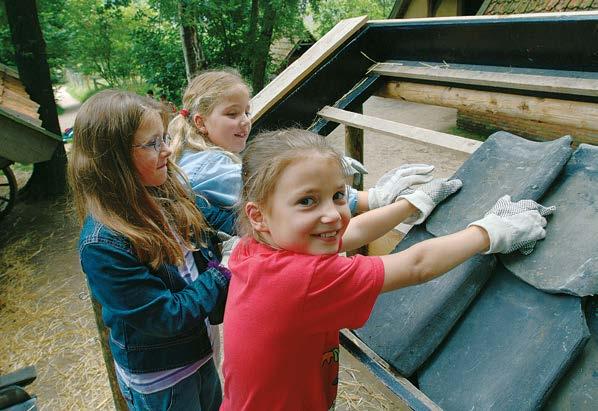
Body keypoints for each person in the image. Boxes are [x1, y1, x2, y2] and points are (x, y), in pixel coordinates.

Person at [221, 128, 554, 410]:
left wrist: (409, 205)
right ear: (259, 216)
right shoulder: (302, 280)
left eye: (338, 195)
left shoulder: (258, 249)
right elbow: (417, 265)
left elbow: (349, 233)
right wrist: (489, 232)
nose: (332, 215)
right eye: (307, 201)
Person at [69, 90, 229, 411]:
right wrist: (226, 269)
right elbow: (167, 316)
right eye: (153, 143)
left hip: (199, 351)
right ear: (114, 159)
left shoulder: (163, 190)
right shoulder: (102, 244)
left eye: (164, 138)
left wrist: (263, 222)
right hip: (163, 380)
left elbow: (216, 219)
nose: (168, 150)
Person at [168, 69, 435, 237]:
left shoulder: (196, 156)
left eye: (247, 111)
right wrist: (372, 199)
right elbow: (276, 189)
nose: (245, 121)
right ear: (201, 122)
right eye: (232, 114)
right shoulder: (208, 167)